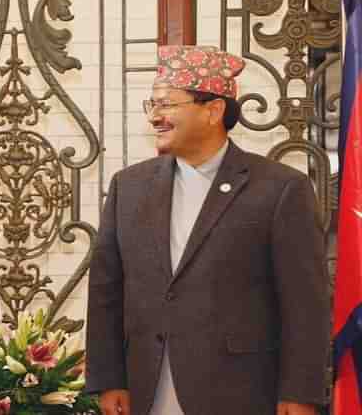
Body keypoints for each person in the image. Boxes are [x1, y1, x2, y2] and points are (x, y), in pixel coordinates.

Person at [85, 45, 329, 415]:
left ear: (213, 110)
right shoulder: (128, 187)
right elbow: (106, 291)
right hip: (146, 386)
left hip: (242, 391)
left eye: (167, 104)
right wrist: (108, 379)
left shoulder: (280, 188)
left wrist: (300, 392)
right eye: (152, 105)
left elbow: (304, 303)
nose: (155, 117)